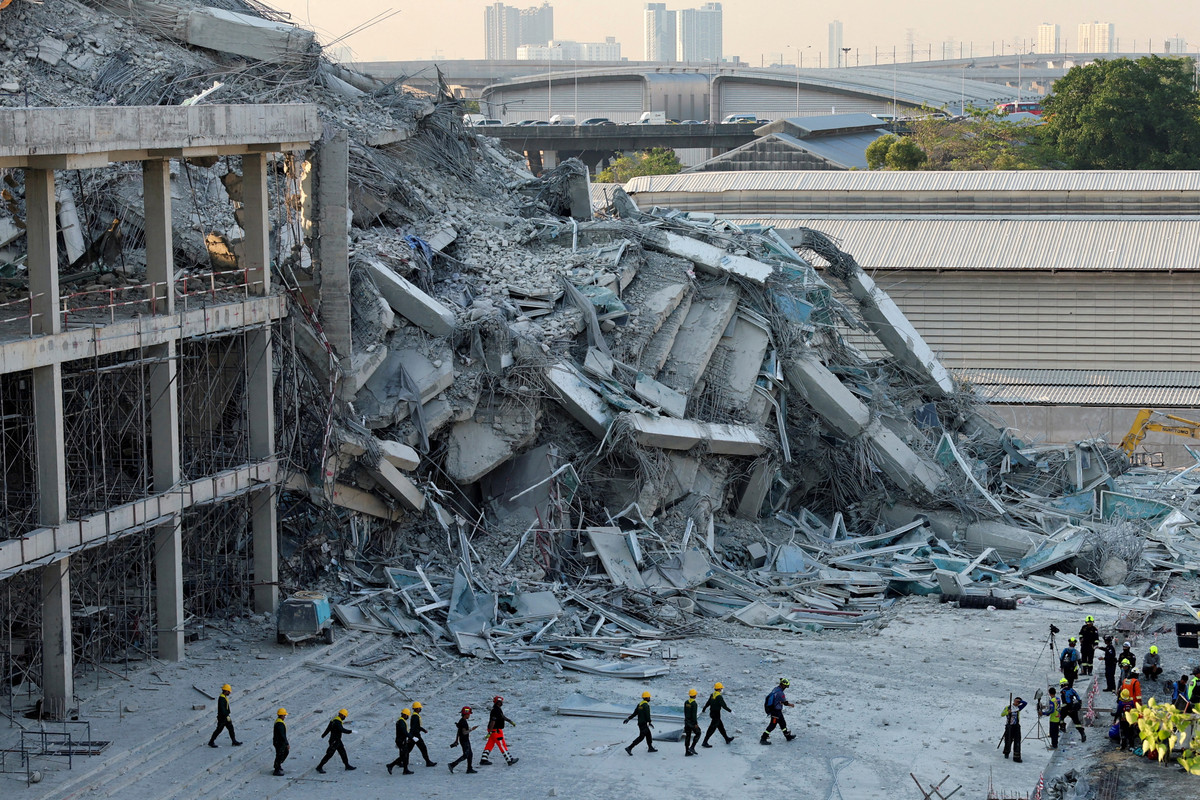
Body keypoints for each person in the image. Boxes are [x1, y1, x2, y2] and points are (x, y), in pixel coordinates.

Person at [480, 696, 518, 767]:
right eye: (500, 702)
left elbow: (502, 717)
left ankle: (484, 759)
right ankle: (509, 760)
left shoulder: (497, 709)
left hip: (493, 730)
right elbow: (493, 721)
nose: (501, 703)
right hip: (496, 730)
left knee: (490, 744)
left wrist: (510, 721)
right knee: (502, 744)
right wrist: (490, 732)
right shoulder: (495, 710)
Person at [316, 709, 355, 773]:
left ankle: (347, 765)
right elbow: (342, 729)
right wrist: (350, 731)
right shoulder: (337, 722)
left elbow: (328, 729)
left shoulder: (333, 720)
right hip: (334, 741)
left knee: (343, 752)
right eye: (344, 716)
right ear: (342, 715)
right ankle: (319, 767)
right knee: (329, 754)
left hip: (337, 740)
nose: (344, 718)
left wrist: (323, 735)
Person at [761, 678, 796, 745]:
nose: (786, 688)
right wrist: (791, 705)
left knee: (783, 723)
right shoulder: (780, 693)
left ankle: (787, 736)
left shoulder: (775, 689)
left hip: (777, 711)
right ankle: (763, 738)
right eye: (785, 686)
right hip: (775, 712)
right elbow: (784, 702)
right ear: (782, 685)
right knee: (772, 725)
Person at [701, 682, 735, 747]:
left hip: (712, 713)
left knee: (721, 727)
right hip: (716, 714)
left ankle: (727, 739)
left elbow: (708, 702)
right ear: (719, 689)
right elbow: (724, 706)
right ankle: (705, 742)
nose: (722, 689)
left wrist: (704, 708)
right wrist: (731, 711)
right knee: (712, 729)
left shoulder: (712, 694)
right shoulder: (719, 696)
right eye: (721, 688)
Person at [448, 706, 478, 774]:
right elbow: (464, 732)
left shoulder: (461, 721)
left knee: (470, 754)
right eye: (468, 714)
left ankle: (469, 768)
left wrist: (456, 740)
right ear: (466, 714)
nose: (469, 715)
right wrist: (471, 729)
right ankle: (453, 764)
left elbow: (459, 731)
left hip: (463, 740)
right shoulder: (463, 722)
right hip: (465, 740)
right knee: (466, 755)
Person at [408, 701, 437, 767]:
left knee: (408, 750)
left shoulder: (415, 716)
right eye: (419, 708)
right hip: (416, 736)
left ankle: (397, 762)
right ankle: (428, 762)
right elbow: (413, 727)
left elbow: (416, 726)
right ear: (417, 709)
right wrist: (410, 737)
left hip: (414, 736)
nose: (420, 709)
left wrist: (423, 730)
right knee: (423, 748)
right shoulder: (415, 717)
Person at [386, 708, 414, 775]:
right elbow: (404, 732)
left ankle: (404, 769)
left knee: (405, 754)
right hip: (401, 741)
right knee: (404, 755)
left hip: (401, 740)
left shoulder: (400, 721)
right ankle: (391, 765)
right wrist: (412, 737)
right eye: (407, 715)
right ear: (405, 715)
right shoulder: (401, 722)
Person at [1001, 696, 1026, 762]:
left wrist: (1020, 701)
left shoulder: (1018, 708)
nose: (1016, 703)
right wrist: (1008, 712)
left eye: (1018, 702)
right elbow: (1002, 714)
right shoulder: (1008, 707)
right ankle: (1006, 752)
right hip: (1009, 726)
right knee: (1008, 740)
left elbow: (1025, 703)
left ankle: (1017, 757)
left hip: (1016, 726)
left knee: (1017, 740)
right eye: (1016, 701)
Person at [683, 689, 702, 757]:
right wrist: (695, 723)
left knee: (688, 736)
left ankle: (687, 751)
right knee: (698, 733)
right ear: (694, 696)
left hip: (687, 722)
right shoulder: (694, 703)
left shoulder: (686, 702)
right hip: (692, 722)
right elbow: (694, 715)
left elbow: (685, 712)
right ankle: (692, 747)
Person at [272, 708, 289, 776]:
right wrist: (287, 743)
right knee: (280, 754)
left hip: (278, 742)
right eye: (284, 715)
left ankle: (278, 765)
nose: (285, 717)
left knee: (283, 753)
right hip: (279, 742)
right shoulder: (280, 724)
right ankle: (276, 768)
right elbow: (282, 735)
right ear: (281, 715)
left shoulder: (279, 721)